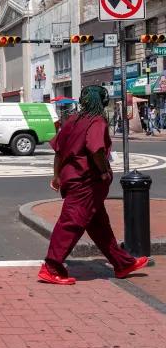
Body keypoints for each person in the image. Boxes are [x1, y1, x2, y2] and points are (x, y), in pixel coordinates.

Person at [40, 85, 149, 285]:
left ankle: (122, 263)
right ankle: (51, 266)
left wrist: (57, 176)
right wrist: (103, 172)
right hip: (87, 182)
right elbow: (95, 148)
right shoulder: (97, 121)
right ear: (102, 101)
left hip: (73, 179)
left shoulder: (73, 120)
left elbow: (59, 150)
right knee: (71, 222)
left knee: (99, 226)